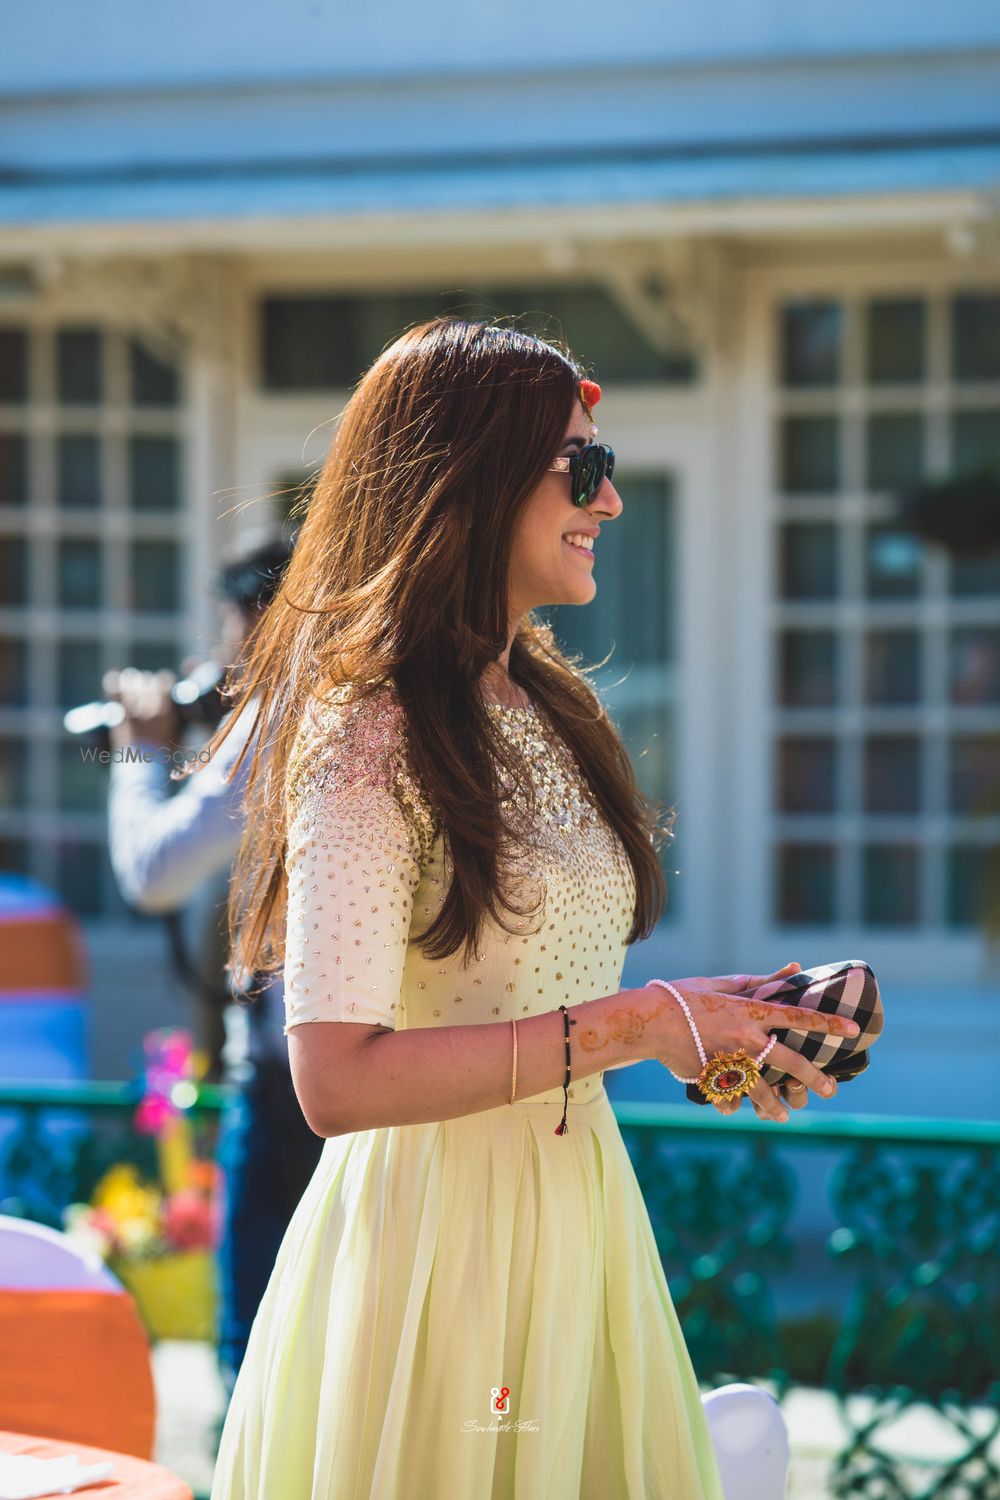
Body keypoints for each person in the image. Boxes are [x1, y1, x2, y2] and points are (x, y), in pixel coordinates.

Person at [205, 318, 859, 1499]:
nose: (608, 504)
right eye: (583, 466)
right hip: (432, 1266)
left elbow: (541, 993)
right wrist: (637, 1027)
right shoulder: (368, 733)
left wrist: (715, 1031)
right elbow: (335, 1080)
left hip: (580, 1226)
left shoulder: (547, 705)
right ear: (475, 473)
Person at [105, 537, 324, 1397]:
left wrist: (139, 748)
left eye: (229, 624)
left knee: (260, 1356)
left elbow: (153, 873)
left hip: (289, 1080)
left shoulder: (283, 712)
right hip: (368, 1068)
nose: (218, 652)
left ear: (264, 618)